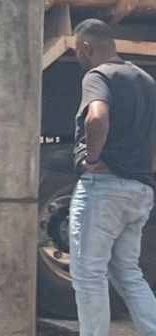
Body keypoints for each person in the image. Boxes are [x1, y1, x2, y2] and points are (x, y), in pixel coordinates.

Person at [69, 18, 156, 336]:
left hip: (104, 188)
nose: (79, 57)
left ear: (87, 47)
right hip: (140, 189)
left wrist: (92, 158)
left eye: (79, 50)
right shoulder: (145, 78)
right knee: (127, 273)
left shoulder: (98, 75)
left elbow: (97, 117)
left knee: (88, 274)